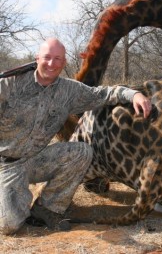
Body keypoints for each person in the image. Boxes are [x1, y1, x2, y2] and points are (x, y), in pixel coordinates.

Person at [0, 38, 152, 235]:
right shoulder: (8, 85)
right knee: (9, 225)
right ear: (37, 58)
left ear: (64, 63)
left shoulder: (69, 90)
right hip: (6, 164)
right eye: (46, 57)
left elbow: (102, 94)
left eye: (57, 59)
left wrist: (134, 95)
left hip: (36, 158)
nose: (51, 64)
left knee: (81, 151)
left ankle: (47, 209)